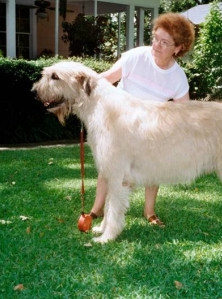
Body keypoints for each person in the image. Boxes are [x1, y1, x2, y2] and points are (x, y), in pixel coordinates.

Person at [88, 13, 195, 227]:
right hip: (120, 123)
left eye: (164, 43)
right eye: (155, 38)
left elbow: (185, 110)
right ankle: (96, 210)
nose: (156, 45)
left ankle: (150, 212)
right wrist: (85, 87)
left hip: (150, 128)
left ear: (178, 48)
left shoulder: (177, 77)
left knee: (152, 171)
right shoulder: (136, 57)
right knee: (108, 168)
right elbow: (108, 77)